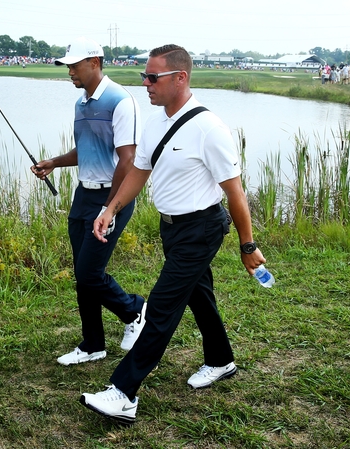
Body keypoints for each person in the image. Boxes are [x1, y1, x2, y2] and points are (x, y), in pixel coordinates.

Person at [81, 44, 267, 424]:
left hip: (202, 228)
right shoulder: (156, 123)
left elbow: (235, 192)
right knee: (199, 296)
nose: (146, 84)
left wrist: (248, 246)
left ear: (180, 78)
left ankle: (123, 392)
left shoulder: (208, 128)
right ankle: (221, 360)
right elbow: (138, 173)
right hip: (172, 228)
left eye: (153, 77)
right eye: (144, 76)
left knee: (163, 308)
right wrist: (109, 209)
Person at [30, 37, 147, 366]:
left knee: (89, 273)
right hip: (83, 194)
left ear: (95, 62)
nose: (69, 71)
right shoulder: (81, 104)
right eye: (67, 65)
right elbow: (86, 150)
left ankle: (135, 309)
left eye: (75, 65)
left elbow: (128, 159)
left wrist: (110, 208)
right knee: (83, 273)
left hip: (113, 195)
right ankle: (93, 343)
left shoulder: (120, 101)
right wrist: (54, 161)